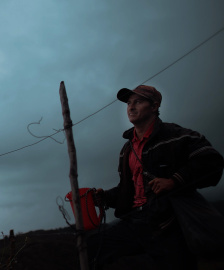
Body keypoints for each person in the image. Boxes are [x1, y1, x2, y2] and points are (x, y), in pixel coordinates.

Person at [87, 85, 223, 269]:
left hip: (169, 224)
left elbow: (211, 161)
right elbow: (129, 189)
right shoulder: (127, 150)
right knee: (91, 248)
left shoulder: (177, 136)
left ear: (154, 106)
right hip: (136, 222)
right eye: (128, 103)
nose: (131, 107)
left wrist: (174, 180)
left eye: (138, 101)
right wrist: (104, 198)